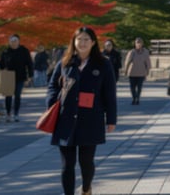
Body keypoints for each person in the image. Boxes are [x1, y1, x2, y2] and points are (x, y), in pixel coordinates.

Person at [46, 26, 117, 195]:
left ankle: (86, 188)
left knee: (86, 162)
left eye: (87, 39)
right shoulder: (65, 63)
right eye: (79, 39)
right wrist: (52, 106)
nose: (82, 43)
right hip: (65, 119)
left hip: (91, 119)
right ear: (74, 42)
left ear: (93, 43)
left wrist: (111, 119)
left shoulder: (103, 64)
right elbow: (52, 87)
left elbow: (109, 93)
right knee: (67, 164)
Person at [0, 34, 34, 122]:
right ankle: (8, 113)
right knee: (8, 96)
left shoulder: (24, 51)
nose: (13, 43)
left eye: (15, 41)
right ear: (9, 42)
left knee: (17, 95)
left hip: (20, 76)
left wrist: (30, 76)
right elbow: (1, 65)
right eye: (12, 41)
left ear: (18, 41)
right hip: (9, 76)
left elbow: (29, 64)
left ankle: (16, 114)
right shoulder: (5, 52)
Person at [124, 37, 151, 105]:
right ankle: (134, 98)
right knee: (132, 87)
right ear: (135, 44)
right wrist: (126, 70)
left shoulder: (145, 52)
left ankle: (137, 98)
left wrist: (148, 70)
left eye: (140, 42)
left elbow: (147, 62)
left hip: (141, 73)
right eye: (137, 43)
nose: (138, 44)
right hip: (132, 73)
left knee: (139, 87)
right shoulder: (132, 52)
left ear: (142, 44)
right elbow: (127, 62)